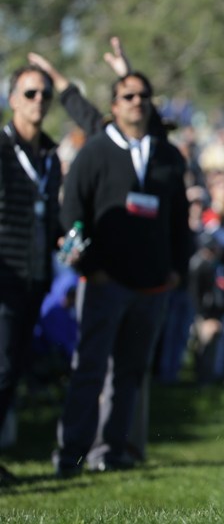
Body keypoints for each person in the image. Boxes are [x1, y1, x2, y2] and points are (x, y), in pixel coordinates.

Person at [54, 70, 192, 478]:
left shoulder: (167, 156)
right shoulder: (95, 151)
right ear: (113, 106)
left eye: (143, 95)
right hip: (105, 282)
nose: (137, 101)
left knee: (130, 373)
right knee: (90, 370)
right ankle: (71, 452)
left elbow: (180, 220)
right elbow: (71, 214)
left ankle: (110, 450)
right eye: (128, 95)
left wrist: (177, 270)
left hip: (151, 286)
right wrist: (89, 268)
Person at [0, 64, 63, 485]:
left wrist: (65, 242)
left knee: (15, 368)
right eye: (29, 93)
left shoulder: (50, 157)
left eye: (44, 94)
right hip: (2, 277)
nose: (38, 100)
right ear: (12, 100)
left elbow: (51, 216)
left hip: (36, 277)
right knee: (1, 366)